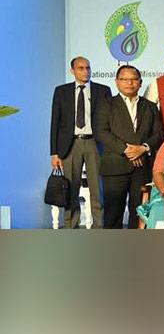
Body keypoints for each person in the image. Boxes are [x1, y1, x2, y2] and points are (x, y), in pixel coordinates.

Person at [96, 65, 164, 229]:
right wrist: (127, 150)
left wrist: (143, 148)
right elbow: (101, 132)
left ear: (140, 83)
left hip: (142, 168)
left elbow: (159, 134)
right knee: (113, 214)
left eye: (134, 79)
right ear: (116, 82)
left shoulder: (150, 106)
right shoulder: (106, 104)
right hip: (115, 166)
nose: (129, 83)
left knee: (139, 213)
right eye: (124, 79)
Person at [49, 56, 112, 229]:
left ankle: (100, 227)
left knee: (97, 189)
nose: (86, 71)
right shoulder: (61, 91)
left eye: (88, 68)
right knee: (70, 189)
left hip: (95, 144)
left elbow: (109, 121)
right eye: (81, 68)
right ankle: (71, 227)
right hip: (70, 145)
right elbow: (55, 122)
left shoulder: (103, 90)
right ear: (72, 71)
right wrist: (54, 153)